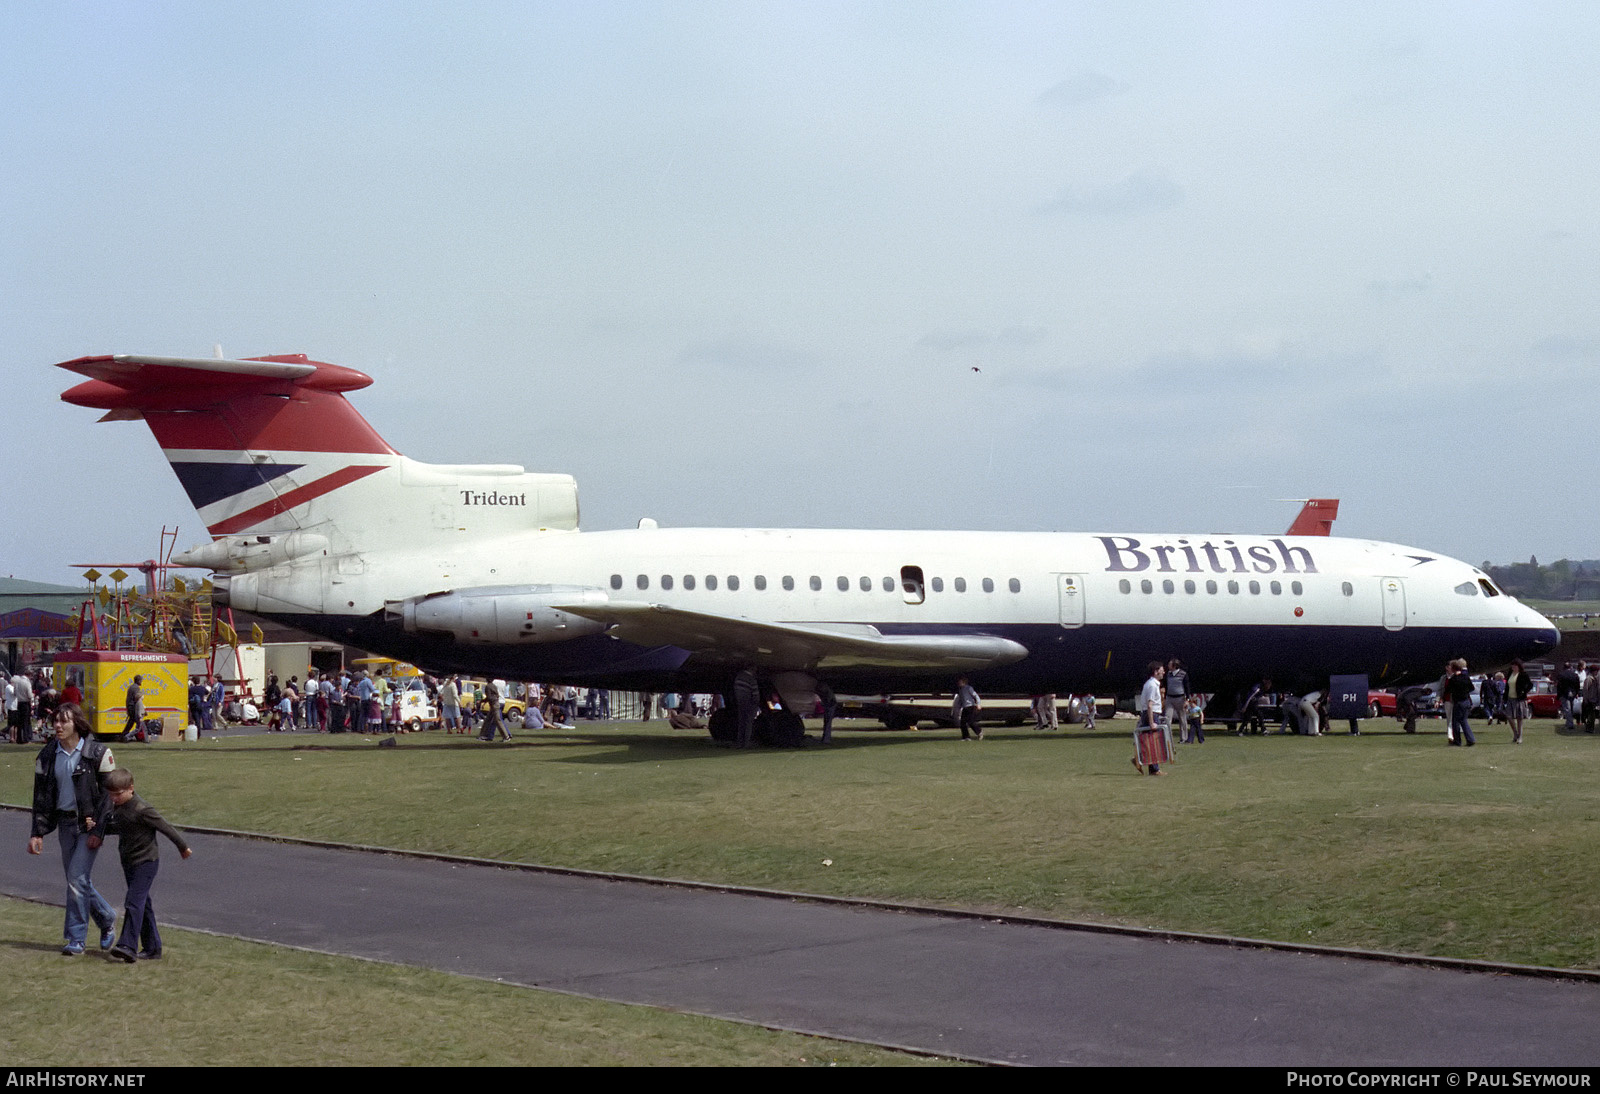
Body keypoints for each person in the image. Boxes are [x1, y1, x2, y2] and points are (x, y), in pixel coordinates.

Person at [27, 704, 117, 955]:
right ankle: (107, 917)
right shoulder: (47, 755)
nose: (57, 726)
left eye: (63, 722)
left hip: (88, 825)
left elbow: (110, 794)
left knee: (77, 879)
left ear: (76, 724)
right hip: (65, 825)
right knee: (76, 880)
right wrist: (37, 832)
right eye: (55, 721)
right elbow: (41, 797)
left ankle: (75, 938)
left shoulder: (97, 752)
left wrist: (98, 826)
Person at [103, 767, 193, 963]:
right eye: (111, 795)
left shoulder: (142, 809)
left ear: (131, 789)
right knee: (144, 905)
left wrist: (183, 847)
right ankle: (153, 948)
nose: (114, 798)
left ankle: (127, 946)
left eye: (118, 794)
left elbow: (166, 827)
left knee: (133, 902)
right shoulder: (117, 808)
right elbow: (118, 827)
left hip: (146, 862)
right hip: (129, 862)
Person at [1133, 661, 1166, 775]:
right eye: (1162, 670)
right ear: (1156, 671)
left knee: (1148, 740)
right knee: (1152, 741)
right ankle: (1153, 768)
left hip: (1149, 713)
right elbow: (1150, 705)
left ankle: (1143, 761)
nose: (1164, 672)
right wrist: (1152, 722)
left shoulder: (1150, 684)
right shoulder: (1152, 685)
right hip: (1152, 714)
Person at [1445, 659, 1475, 746]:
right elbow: (1472, 688)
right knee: (1463, 720)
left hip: (1458, 702)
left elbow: (1448, 690)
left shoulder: (1453, 679)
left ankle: (1458, 741)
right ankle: (1469, 739)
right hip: (1466, 701)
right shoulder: (1465, 677)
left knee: (1456, 722)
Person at [1505, 659, 1532, 744]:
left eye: (1515, 665)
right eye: (1512, 666)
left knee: (1519, 718)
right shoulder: (1510, 674)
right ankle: (1515, 734)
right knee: (1509, 716)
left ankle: (1520, 736)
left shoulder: (1523, 675)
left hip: (1519, 699)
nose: (1513, 667)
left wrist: (1524, 691)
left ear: (1519, 666)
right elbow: (1507, 686)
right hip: (1510, 698)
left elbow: (1530, 685)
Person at [952, 675, 981, 741]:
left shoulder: (968, 688)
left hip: (970, 706)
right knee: (962, 722)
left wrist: (978, 704)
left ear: (964, 681)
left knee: (970, 721)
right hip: (965, 707)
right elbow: (961, 700)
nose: (958, 682)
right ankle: (966, 737)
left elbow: (976, 696)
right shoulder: (960, 690)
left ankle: (979, 732)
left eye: (960, 681)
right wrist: (958, 708)